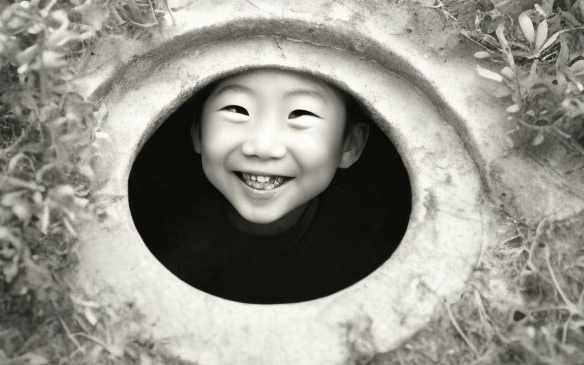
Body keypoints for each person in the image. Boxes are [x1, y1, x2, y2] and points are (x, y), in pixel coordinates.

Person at [148, 67, 400, 303]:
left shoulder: (365, 246)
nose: (263, 147)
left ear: (350, 144)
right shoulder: (176, 247)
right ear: (198, 132)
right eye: (237, 110)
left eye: (301, 114)